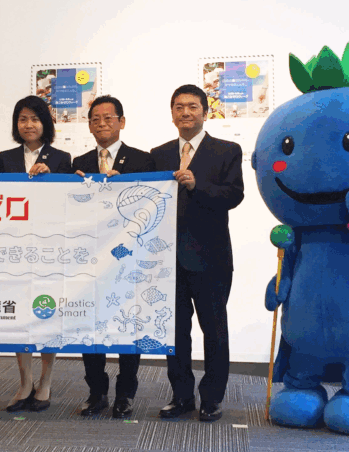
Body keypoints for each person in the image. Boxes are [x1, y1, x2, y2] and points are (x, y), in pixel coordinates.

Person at [151, 84, 244, 423]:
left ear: (205, 112)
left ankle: (212, 399)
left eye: (192, 106)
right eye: (179, 107)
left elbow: (234, 195)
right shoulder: (158, 154)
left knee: (214, 331)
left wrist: (197, 185)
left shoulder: (227, 150)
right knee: (175, 333)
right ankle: (181, 396)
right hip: (167, 260)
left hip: (211, 258)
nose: (185, 112)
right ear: (172, 113)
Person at [0, 96, 72, 412]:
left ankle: (45, 382)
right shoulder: (5, 158)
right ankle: (25, 383)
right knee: (19, 316)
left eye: (35, 119)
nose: (29, 125)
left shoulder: (61, 158)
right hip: (14, 251)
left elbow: (68, 201)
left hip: (49, 250)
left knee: (47, 314)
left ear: (45, 123)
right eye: (22, 119)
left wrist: (53, 178)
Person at [71, 95, 154, 419]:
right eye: (95, 119)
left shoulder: (143, 161)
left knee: (128, 325)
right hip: (89, 260)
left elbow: (153, 205)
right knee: (89, 325)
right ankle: (96, 392)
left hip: (129, 260)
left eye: (108, 118)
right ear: (89, 125)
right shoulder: (78, 163)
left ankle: (125, 394)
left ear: (121, 122)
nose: (102, 123)